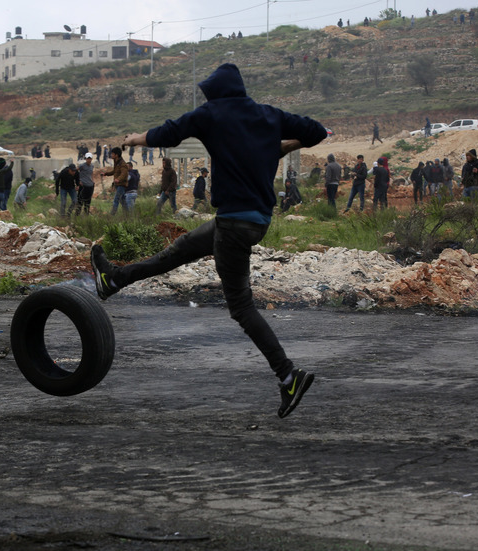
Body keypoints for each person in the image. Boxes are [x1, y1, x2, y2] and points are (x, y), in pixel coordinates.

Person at [89, 63, 326, 418]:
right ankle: (114, 279)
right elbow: (317, 130)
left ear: (214, 92)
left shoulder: (212, 114)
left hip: (233, 224)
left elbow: (172, 131)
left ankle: (288, 375)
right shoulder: (267, 115)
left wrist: (137, 139)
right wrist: (282, 145)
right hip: (253, 220)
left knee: (242, 308)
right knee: (177, 251)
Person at [104, 147, 129, 215]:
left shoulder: (122, 164)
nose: (111, 155)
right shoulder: (116, 162)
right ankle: (127, 215)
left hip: (121, 185)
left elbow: (124, 173)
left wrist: (118, 179)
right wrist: (106, 174)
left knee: (116, 200)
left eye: (112, 154)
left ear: (116, 155)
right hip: (118, 185)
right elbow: (115, 171)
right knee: (123, 201)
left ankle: (112, 215)